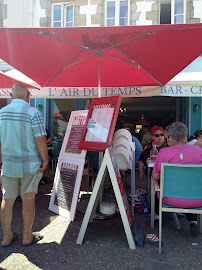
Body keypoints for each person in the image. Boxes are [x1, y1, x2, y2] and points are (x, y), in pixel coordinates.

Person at [0, 83, 48, 247]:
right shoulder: (33, 112)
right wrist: (45, 159)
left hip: (8, 165)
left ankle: (7, 236)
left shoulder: (1, 113)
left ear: (11, 96)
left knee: (7, 200)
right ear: (28, 96)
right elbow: (41, 139)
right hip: (29, 165)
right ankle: (27, 236)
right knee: (28, 200)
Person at [152, 122, 202, 235]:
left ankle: (157, 217)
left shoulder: (164, 152)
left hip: (170, 199)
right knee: (190, 184)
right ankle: (194, 221)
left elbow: (155, 176)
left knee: (157, 183)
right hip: (198, 199)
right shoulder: (199, 151)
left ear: (169, 138)